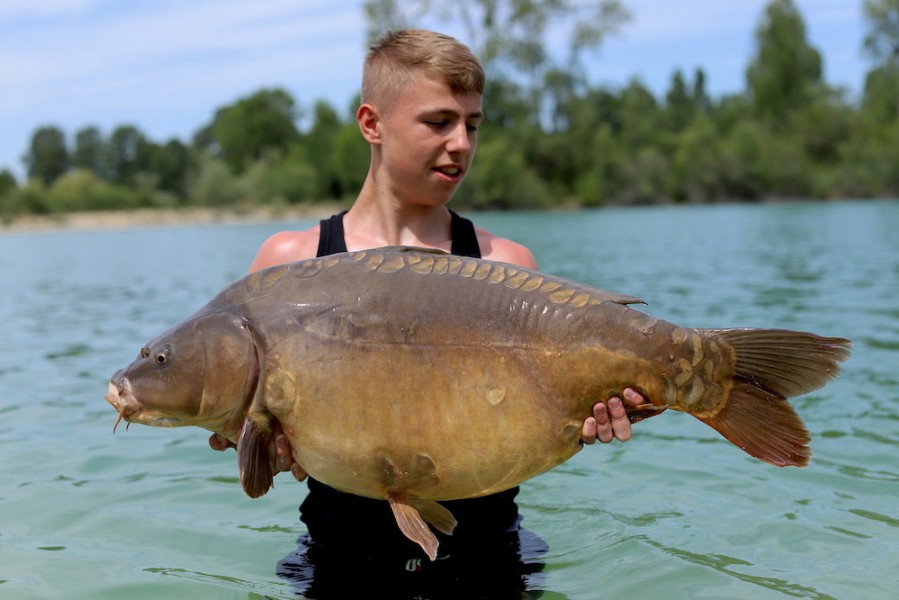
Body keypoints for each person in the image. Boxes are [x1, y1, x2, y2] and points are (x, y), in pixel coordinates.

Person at [212, 28, 648, 596]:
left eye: (473, 124)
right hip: (339, 558)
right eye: (439, 122)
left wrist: (595, 415)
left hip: (490, 556)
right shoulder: (288, 262)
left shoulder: (507, 264)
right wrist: (254, 444)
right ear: (372, 123)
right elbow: (240, 434)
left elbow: (542, 418)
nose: (462, 142)